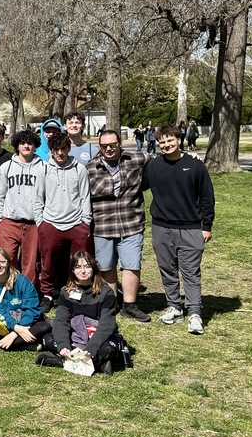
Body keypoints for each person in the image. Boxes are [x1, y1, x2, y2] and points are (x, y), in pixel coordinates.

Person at [143, 124, 215, 335]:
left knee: (191, 273)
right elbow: (138, 184)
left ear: (179, 139)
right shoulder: (154, 166)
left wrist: (207, 226)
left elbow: (207, 197)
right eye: (162, 142)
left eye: (170, 140)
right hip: (161, 227)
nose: (166, 145)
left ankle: (194, 313)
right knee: (167, 270)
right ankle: (174, 307)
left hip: (191, 228)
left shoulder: (195, 165)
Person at [87, 129, 151, 323]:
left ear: (119, 144)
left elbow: (164, 156)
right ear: (100, 147)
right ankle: (111, 303)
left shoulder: (137, 159)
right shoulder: (90, 168)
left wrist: (188, 156)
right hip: (103, 224)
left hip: (131, 222)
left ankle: (129, 305)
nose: (109, 149)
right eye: (104, 146)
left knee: (132, 264)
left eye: (112, 145)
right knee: (106, 266)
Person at [36, 251, 122, 374]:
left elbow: (107, 325)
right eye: (78, 267)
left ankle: (62, 362)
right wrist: (63, 345)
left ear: (94, 269)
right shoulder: (66, 292)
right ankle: (97, 363)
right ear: (72, 270)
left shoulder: (106, 292)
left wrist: (92, 347)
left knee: (110, 348)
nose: (83, 271)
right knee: (48, 339)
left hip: (97, 337)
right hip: (75, 337)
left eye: (87, 266)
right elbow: (61, 321)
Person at [34, 132, 92, 311]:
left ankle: (79, 291)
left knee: (80, 262)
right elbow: (38, 199)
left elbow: (85, 197)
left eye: (63, 148)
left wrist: (85, 222)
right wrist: (41, 223)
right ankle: (48, 293)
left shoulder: (79, 169)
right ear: (51, 150)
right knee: (49, 261)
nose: (60, 153)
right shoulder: (43, 169)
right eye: (56, 149)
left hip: (76, 223)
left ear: (69, 149)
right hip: (51, 223)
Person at [0, 128, 45, 288]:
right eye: (23, 143)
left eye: (30, 143)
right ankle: (7, 290)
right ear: (17, 145)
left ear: (35, 145)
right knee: (6, 258)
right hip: (9, 221)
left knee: (30, 263)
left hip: (33, 223)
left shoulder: (43, 166)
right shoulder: (7, 167)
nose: (26, 146)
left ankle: (28, 294)